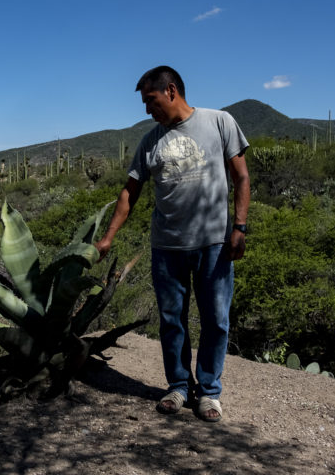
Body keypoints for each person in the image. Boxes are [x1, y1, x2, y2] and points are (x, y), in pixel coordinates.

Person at [94, 66, 250, 422]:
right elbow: (129, 194)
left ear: (171, 91)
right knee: (172, 321)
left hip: (213, 243)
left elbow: (241, 176)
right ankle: (179, 386)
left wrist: (239, 226)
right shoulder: (151, 141)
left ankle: (209, 392)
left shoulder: (219, 122)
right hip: (167, 247)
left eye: (150, 101)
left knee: (216, 319)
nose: (147, 110)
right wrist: (107, 238)